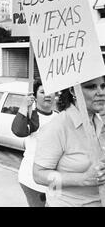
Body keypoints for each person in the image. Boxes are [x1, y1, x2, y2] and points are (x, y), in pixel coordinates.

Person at [33, 76, 105, 207]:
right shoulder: (57, 127)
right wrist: (84, 179)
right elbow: (38, 175)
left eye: (103, 86)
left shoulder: (100, 121)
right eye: (91, 87)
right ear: (73, 91)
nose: (101, 92)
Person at [11, 79, 57, 207]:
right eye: (42, 92)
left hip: (54, 179)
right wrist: (24, 105)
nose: (47, 95)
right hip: (32, 178)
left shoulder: (59, 116)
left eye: (50, 92)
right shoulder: (33, 116)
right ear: (35, 97)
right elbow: (18, 130)